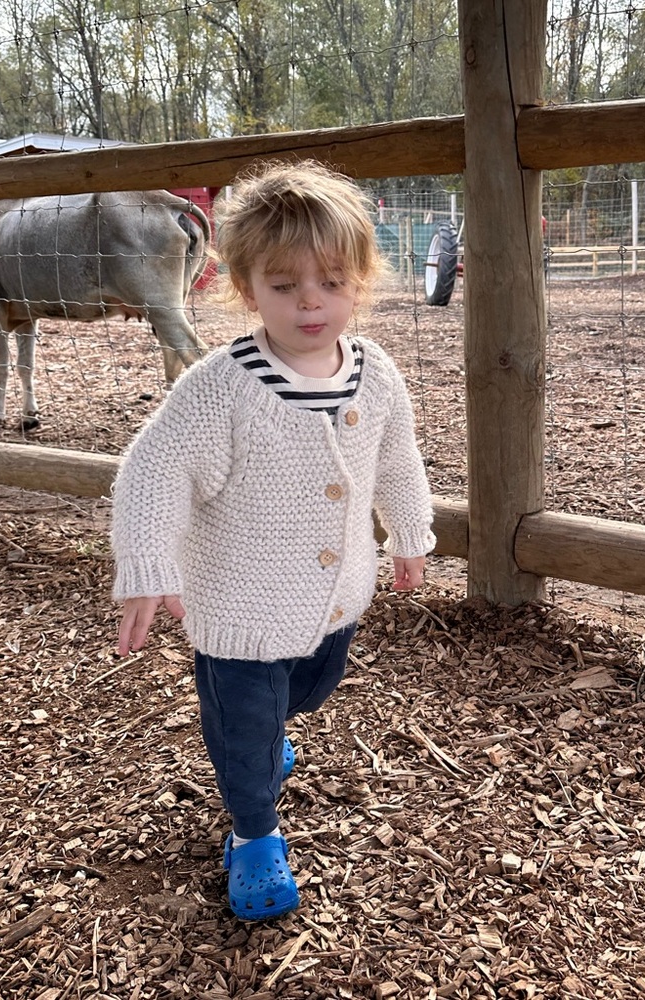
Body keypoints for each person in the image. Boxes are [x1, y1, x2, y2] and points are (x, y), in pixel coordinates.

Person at [110, 159, 436, 921]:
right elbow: (153, 468)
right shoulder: (223, 385)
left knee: (313, 688)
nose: (310, 302)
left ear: (361, 279)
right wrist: (146, 564)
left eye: (330, 281)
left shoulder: (376, 373)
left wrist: (409, 534)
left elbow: (398, 457)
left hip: (334, 598)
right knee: (248, 734)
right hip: (239, 610)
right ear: (246, 287)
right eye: (285, 286)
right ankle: (253, 834)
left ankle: (259, 742)